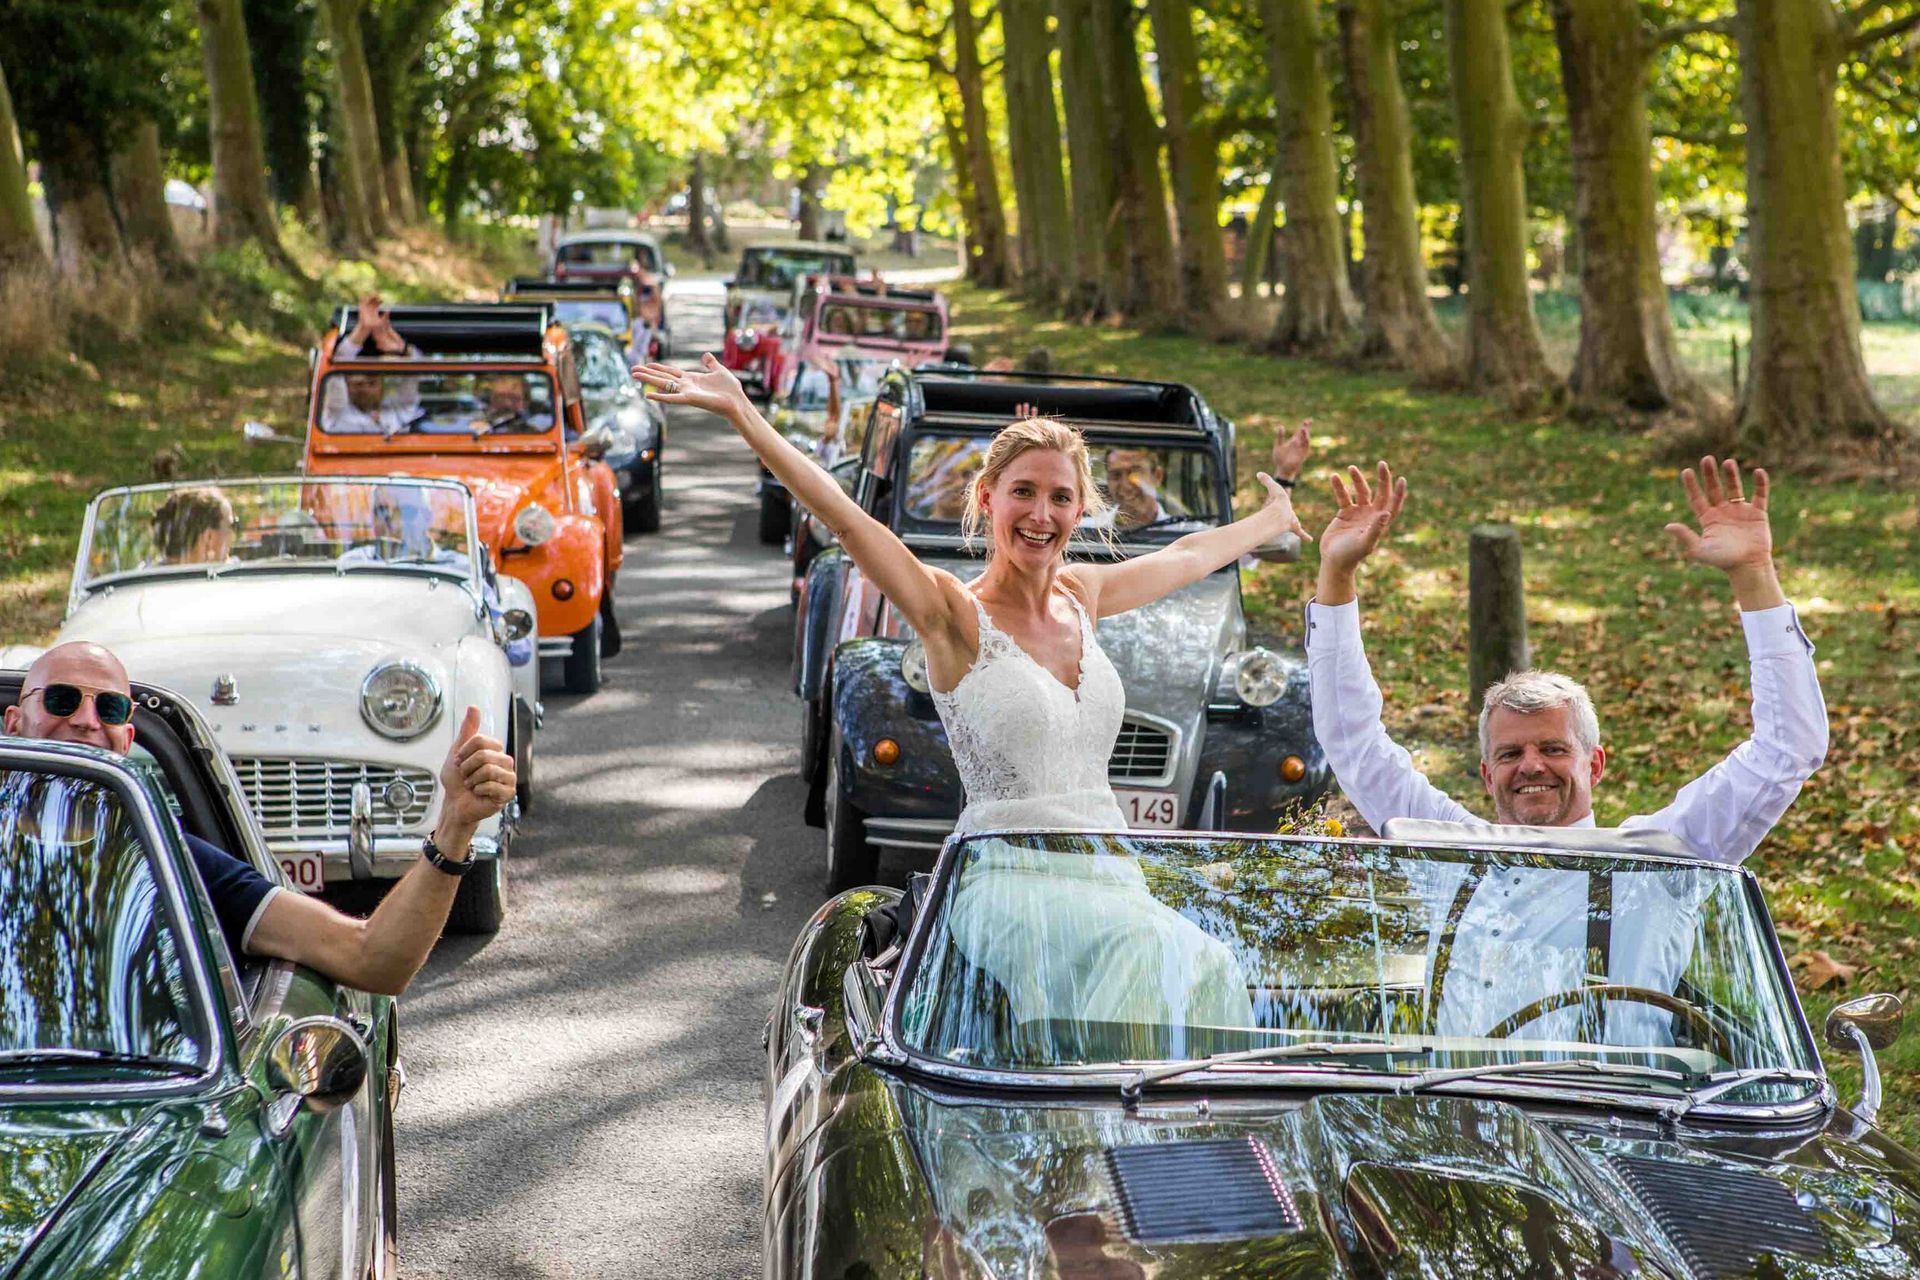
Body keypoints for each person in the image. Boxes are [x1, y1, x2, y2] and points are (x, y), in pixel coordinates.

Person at [634, 352, 1312, 834]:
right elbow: (846, 516)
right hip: (1008, 884)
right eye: (1023, 492)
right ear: (987, 499)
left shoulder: (1085, 593)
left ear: (1081, 513)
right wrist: (744, 415)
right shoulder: (952, 612)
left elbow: (1187, 554)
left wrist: (1272, 517)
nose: (1040, 514)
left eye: (1059, 497)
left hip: (1113, 869)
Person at [1305, 456, 1829, 1043]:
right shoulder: (1450, 854)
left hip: (1610, 1127)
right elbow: (1352, 741)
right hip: (1453, 1121)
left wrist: (1754, 576)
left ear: (1595, 764)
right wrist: (1337, 577)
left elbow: (1788, 747)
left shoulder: (1658, 864)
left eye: (1553, 748)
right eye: (1509, 755)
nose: (1530, 766)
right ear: (1485, 773)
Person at [4, 642, 516, 996]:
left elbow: (372, 958)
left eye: (111, 708)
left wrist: (454, 826)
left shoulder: (173, 860)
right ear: (13, 723)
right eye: (61, 698)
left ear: (127, 739)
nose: (86, 720)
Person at [323, 295, 422, 435]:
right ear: (347, 387)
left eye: (371, 383)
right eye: (358, 384)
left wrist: (402, 349)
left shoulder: (398, 412)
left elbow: (415, 372)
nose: (365, 389)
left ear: (381, 385)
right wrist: (362, 330)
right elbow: (336, 365)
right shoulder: (337, 414)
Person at [151, 486, 235, 564]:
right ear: (209, 537)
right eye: (231, 526)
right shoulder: (233, 577)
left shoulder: (146, 575)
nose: (232, 536)